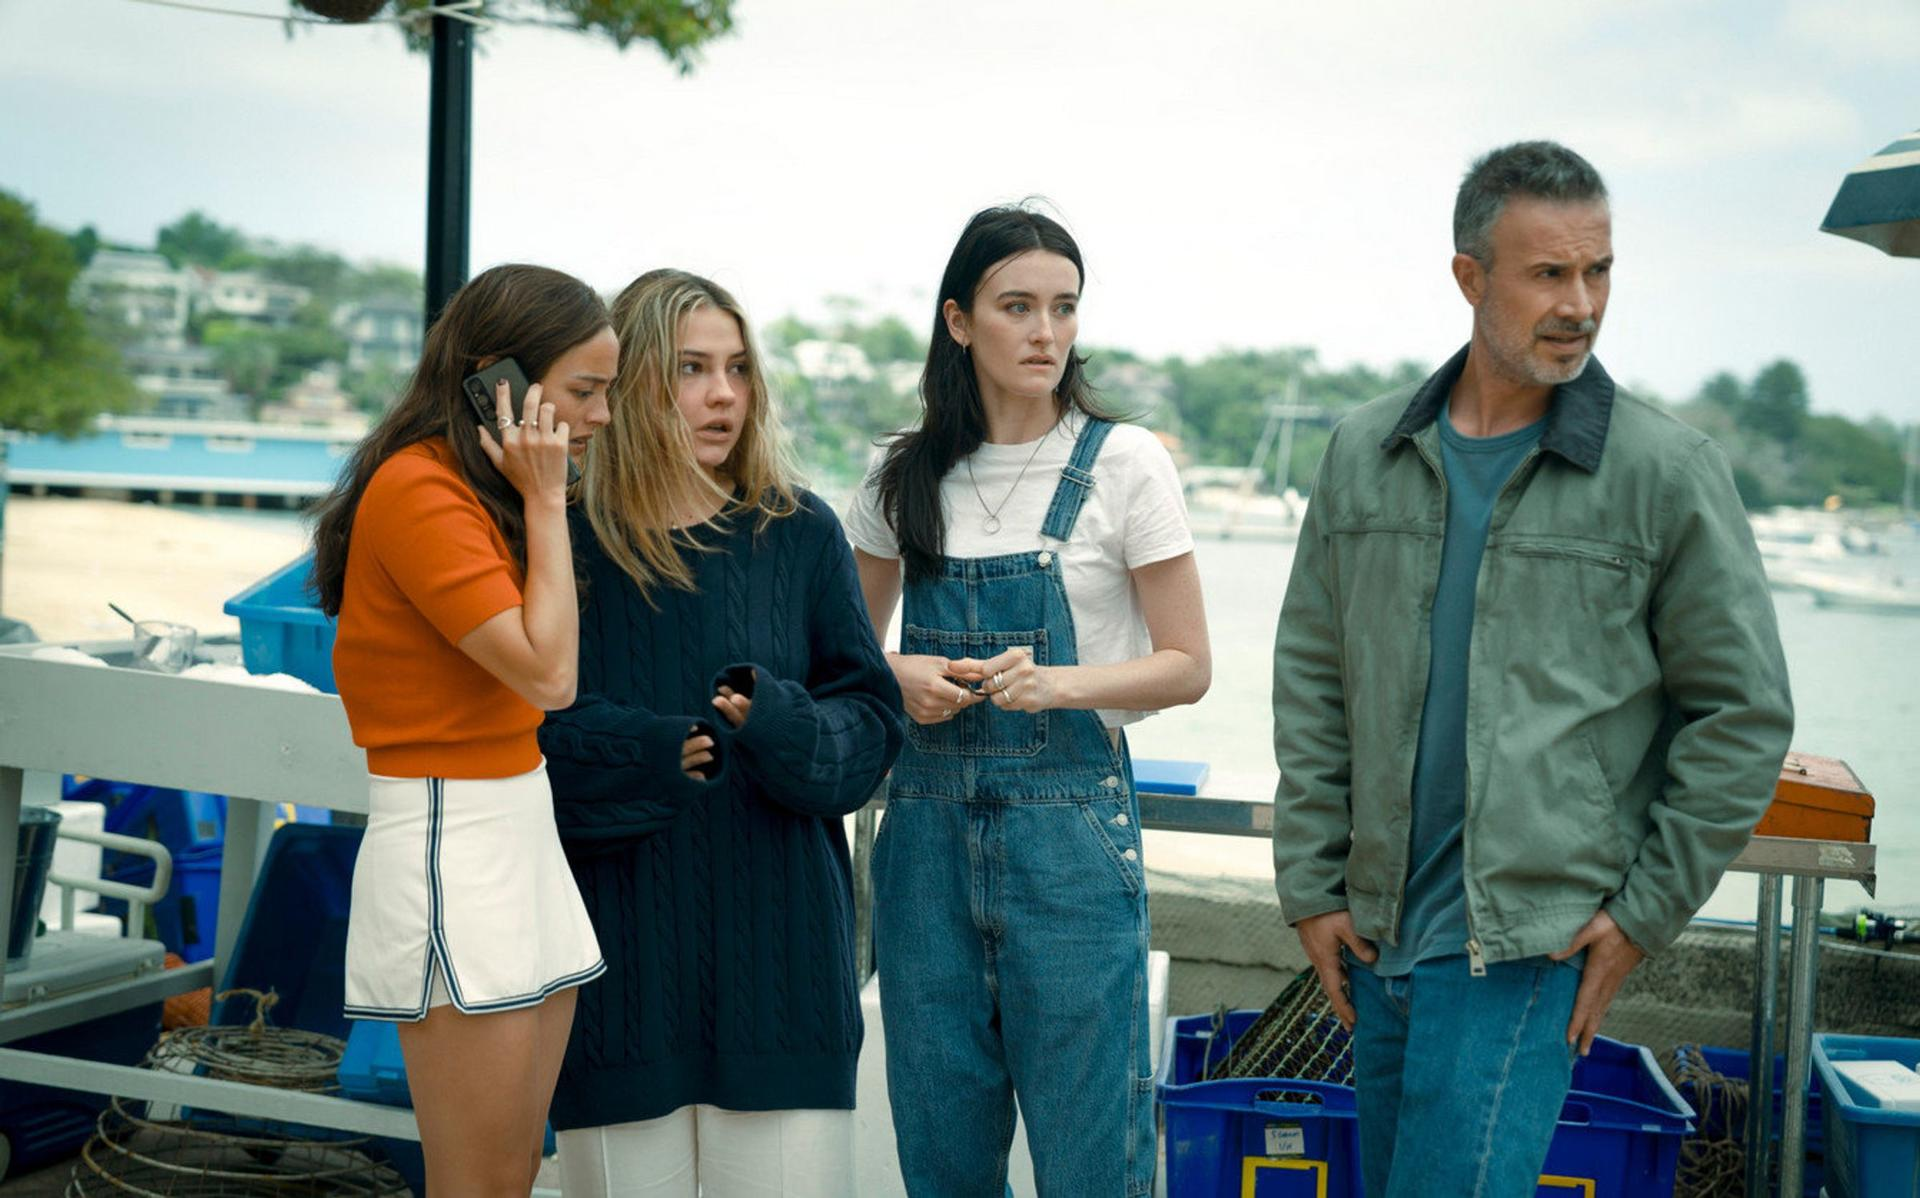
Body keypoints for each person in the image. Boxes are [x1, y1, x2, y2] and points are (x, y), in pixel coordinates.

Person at [1270, 140, 1794, 1197]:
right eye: (1549, 273)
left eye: (1597, 270)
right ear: (1470, 277)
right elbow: (1315, 681)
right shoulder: (1362, 451)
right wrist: (1311, 882)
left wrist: (1644, 912)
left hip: (1524, 952)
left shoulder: (1665, 471)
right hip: (1378, 938)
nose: (1582, 302)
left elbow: (1742, 714)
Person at [848, 205, 1211, 1197]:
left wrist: (1061, 684)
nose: (1046, 331)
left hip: (1074, 852)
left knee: (1094, 1157)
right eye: (1018, 306)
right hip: (922, 850)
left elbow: (1187, 663)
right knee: (944, 1154)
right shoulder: (900, 472)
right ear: (960, 321)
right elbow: (835, 656)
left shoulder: (1125, 462)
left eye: (1064, 307)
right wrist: (896, 673)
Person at [537, 268, 905, 1198]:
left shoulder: (800, 533)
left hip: (785, 985)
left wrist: (778, 723)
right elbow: (524, 739)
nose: (723, 395)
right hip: (616, 988)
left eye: (738, 368)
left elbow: (870, 731)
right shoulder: (564, 539)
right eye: (692, 368)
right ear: (630, 386)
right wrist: (656, 753)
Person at [312, 263, 616, 1196]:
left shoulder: (476, 490)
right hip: (451, 829)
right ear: (501, 383)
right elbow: (550, 672)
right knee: (477, 1182)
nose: (602, 415)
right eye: (586, 390)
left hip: (520, 819)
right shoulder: (418, 490)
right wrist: (545, 498)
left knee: (516, 1169)